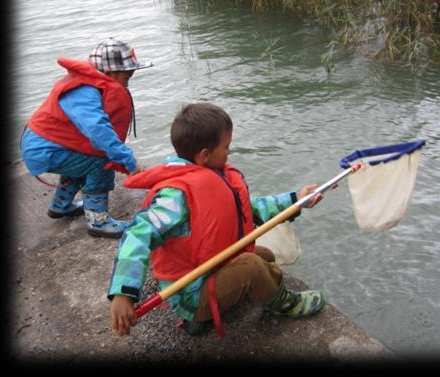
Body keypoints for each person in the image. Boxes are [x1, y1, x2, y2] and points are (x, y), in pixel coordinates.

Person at [108, 102, 326, 337]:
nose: (229, 153)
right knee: (252, 267)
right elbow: (138, 234)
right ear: (204, 155)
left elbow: (251, 208)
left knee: (264, 256)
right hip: (190, 292)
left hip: (209, 270)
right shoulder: (176, 196)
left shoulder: (212, 174)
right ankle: (283, 304)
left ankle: (214, 311)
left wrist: (296, 200)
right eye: (226, 147)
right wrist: (123, 293)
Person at [20, 37, 153, 238]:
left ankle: (61, 205)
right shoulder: (84, 91)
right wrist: (129, 161)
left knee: (80, 161)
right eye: (127, 76)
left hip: (46, 145)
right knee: (102, 161)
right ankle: (98, 221)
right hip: (45, 149)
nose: (128, 81)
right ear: (110, 72)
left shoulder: (88, 83)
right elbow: (99, 131)